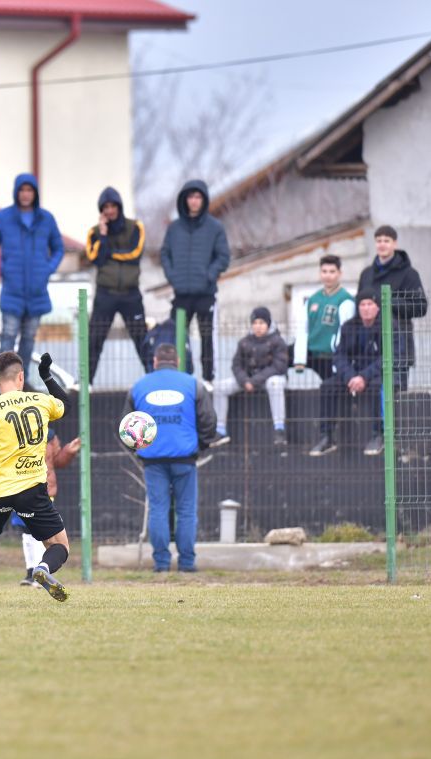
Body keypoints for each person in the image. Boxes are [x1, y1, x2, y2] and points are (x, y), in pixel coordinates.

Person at [0, 351, 72, 606]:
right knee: (59, 545)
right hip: (32, 488)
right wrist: (46, 376)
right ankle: (42, 567)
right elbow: (66, 404)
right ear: (21, 376)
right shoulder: (41, 401)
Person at [126, 343, 217, 572]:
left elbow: (126, 426)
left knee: (158, 509)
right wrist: (201, 445)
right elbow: (209, 420)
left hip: (153, 459)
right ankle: (187, 563)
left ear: (155, 362)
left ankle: (162, 563)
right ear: (177, 362)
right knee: (186, 510)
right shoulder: (192, 384)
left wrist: (137, 451)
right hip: (185, 458)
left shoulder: (138, 387)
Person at [0, 173, 64, 378]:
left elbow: (58, 248)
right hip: (12, 289)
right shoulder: (3, 218)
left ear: (35, 193)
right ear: (16, 192)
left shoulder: (46, 219)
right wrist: (2, 268)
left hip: (37, 291)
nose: (25, 194)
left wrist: (47, 269)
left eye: (29, 190)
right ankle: (3, 380)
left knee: (29, 338)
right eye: (22, 190)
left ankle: (22, 379)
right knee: (8, 336)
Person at [160, 179, 231, 383]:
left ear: (204, 200)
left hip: (206, 294)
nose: (194, 201)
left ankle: (208, 380)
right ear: (184, 199)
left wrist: (209, 275)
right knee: (177, 338)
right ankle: (181, 378)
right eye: (190, 196)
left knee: (207, 338)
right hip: (181, 295)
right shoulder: (173, 228)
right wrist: (173, 276)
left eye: (198, 196)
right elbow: (164, 254)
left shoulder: (215, 227)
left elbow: (223, 257)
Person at [86, 186, 151, 382]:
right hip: (105, 294)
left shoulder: (136, 227)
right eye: (105, 207)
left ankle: (153, 379)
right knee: (94, 339)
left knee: (142, 339)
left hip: (131, 294)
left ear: (119, 206)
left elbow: (134, 254)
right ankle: (86, 383)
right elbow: (95, 258)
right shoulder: (94, 232)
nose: (110, 210)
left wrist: (110, 255)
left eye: (113, 206)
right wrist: (104, 236)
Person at [329, 290, 403, 457]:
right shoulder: (348, 327)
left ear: (378, 307)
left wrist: (364, 376)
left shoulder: (389, 326)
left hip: (380, 374)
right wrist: (350, 377)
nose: (366, 308)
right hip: (354, 375)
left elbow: (391, 357)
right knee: (328, 386)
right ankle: (326, 436)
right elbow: (339, 355)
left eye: (370, 304)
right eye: (362, 304)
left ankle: (379, 435)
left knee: (379, 388)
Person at [299, 256, 357, 456]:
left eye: (332, 272)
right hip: (313, 351)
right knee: (284, 354)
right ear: (320, 273)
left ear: (339, 273)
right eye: (324, 271)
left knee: (329, 388)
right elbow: (303, 329)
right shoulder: (313, 299)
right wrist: (298, 357)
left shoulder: (346, 299)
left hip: (333, 356)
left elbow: (346, 331)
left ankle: (327, 436)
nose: (328, 275)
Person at [356, 225, 426, 388]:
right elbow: (358, 306)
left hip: (398, 346)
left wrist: (387, 303)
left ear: (394, 243)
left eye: (386, 240)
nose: (382, 244)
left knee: (396, 398)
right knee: (370, 402)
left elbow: (421, 307)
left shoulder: (409, 274)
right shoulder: (366, 274)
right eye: (378, 240)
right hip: (368, 348)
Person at [212, 307, 289, 447]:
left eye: (262, 322)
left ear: (268, 324)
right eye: (255, 322)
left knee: (275, 383)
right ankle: (220, 431)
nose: (258, 326)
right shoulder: (244, 342)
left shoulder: (278, 341)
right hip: (247, 381)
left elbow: (279, 366)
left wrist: (254, 381)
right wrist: (245, 380)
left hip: (270, 380)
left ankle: (279, 429)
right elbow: (236, 365)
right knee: (219, 387)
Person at [13, 428, 79, 586]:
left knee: (40, 532)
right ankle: (31, 572)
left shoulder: (50, 435)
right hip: (18, 488)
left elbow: (55, 461)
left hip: (43, 491)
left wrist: (68, 452)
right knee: (25, 531)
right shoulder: (16, 432)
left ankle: (40, 571)